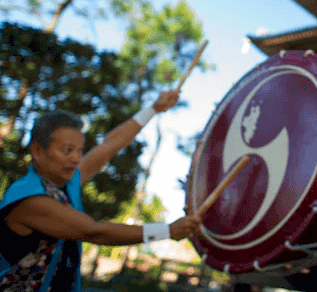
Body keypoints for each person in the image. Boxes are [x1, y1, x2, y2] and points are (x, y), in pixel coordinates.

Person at [0, 90, 202, 292]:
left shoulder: (61, 183)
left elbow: (109, 146)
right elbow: (94, 232)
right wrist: (167, 230)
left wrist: (153, 109)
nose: (76, 158)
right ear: (37, 151)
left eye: (79, 151)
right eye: (67, 150)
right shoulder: (30, 199)